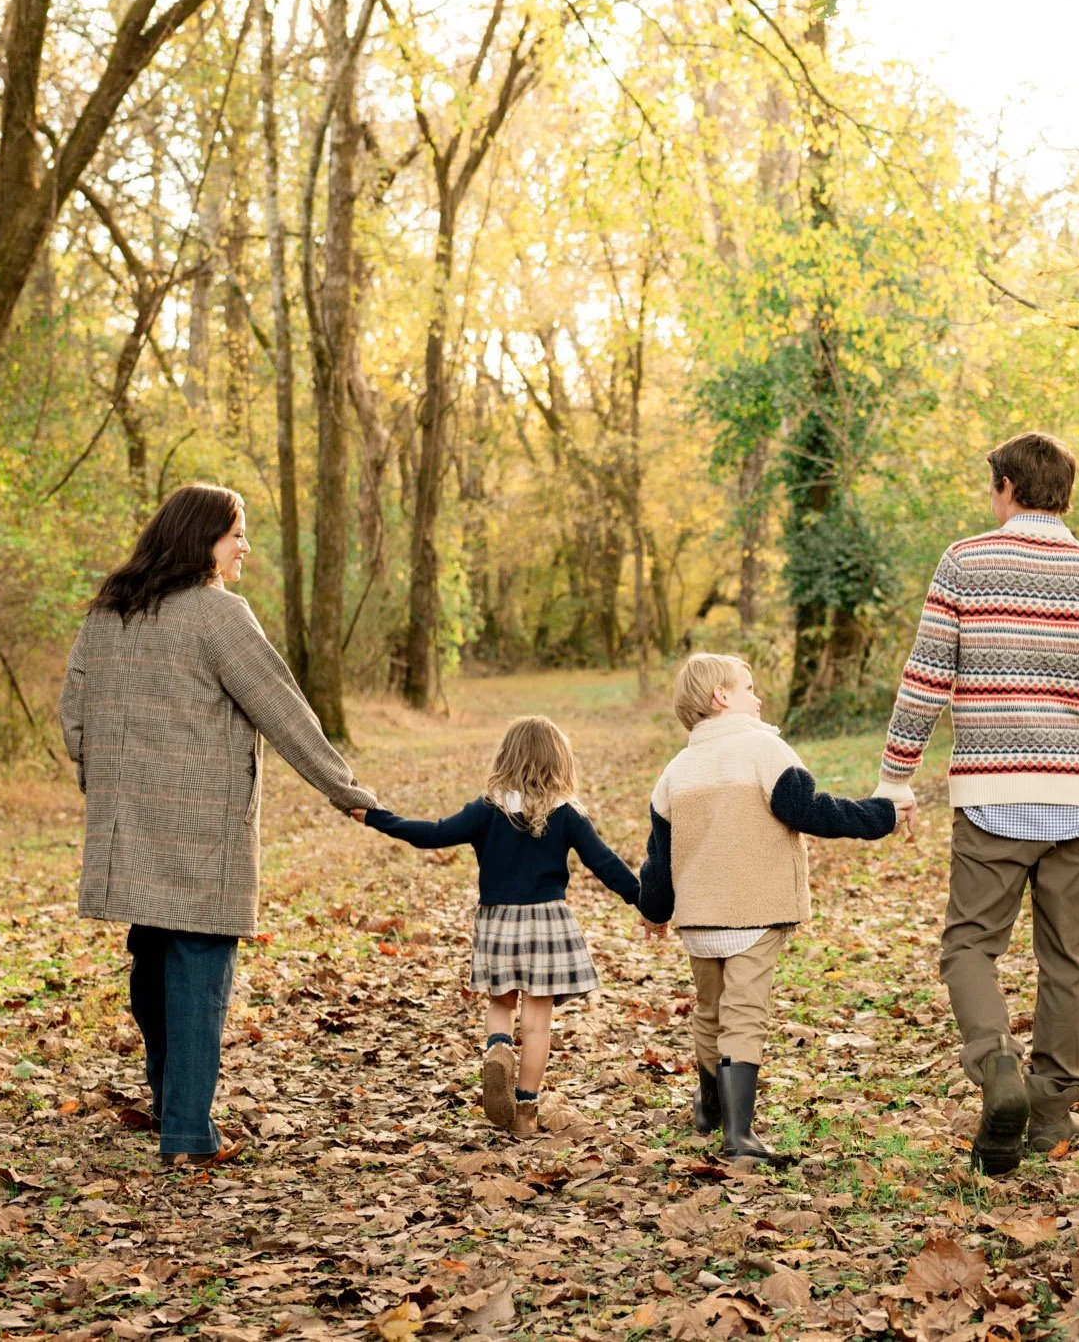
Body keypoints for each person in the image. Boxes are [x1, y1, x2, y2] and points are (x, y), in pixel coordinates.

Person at [59, 484, 378, 1166]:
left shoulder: (108, 613)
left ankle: (173, 1099)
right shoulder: (219, 615)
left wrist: (105, 781)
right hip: (205, 832)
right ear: (201, 538)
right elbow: (283, 708)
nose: (245, 546)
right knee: (199, 979)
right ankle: (187, 1131)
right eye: (237, 532)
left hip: (128, 829)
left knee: (151, 967)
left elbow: (73, 716)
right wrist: (344, 789)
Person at [873, 432, 1079, 1177]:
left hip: (993, 793)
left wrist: (895, 778)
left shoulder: (966, 561)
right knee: (1066, 955)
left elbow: (926, 676)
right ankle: (1052, 1105)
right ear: (1066, 491)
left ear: (1004, 486)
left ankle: (996, 1060)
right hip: (1078, 798)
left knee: (970, 944)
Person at [637, 654, 897, 1163]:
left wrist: (654, 909)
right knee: (744, 1015)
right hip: (753, 910)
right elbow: (809, 809)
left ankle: (709, 1108)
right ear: (721, 697)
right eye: (749, 687)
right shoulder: (763, 747)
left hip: (699, 918)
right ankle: (740, 1137)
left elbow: (659, 856)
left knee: (710, 1011)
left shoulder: (676, 770)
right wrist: (879, 814)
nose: (758, 698)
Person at [352, 716, 642, 1137]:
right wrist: (643, 901)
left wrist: (377, 817)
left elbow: (431, 835)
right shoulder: (567, 814)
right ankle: (525, 1112)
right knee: (538, 1024)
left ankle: (498, 1049)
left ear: (506, 758)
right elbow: (605, 864)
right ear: (559, 763)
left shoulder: (487, 810)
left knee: (502, 1004)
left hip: (498, 922)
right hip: (547, 923)